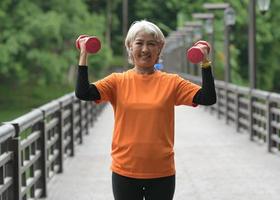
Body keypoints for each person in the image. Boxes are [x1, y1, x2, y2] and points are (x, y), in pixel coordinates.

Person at [75, 20, 216, 200]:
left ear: (159, 49)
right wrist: (84, 54)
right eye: (139, 43)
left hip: (161, 172)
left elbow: (208, 97)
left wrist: (205, 62)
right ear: (129, 47)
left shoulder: (172, 82)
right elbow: (83, 92)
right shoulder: (117, 81)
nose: (145, 49)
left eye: (151, 44)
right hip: (124, 170)